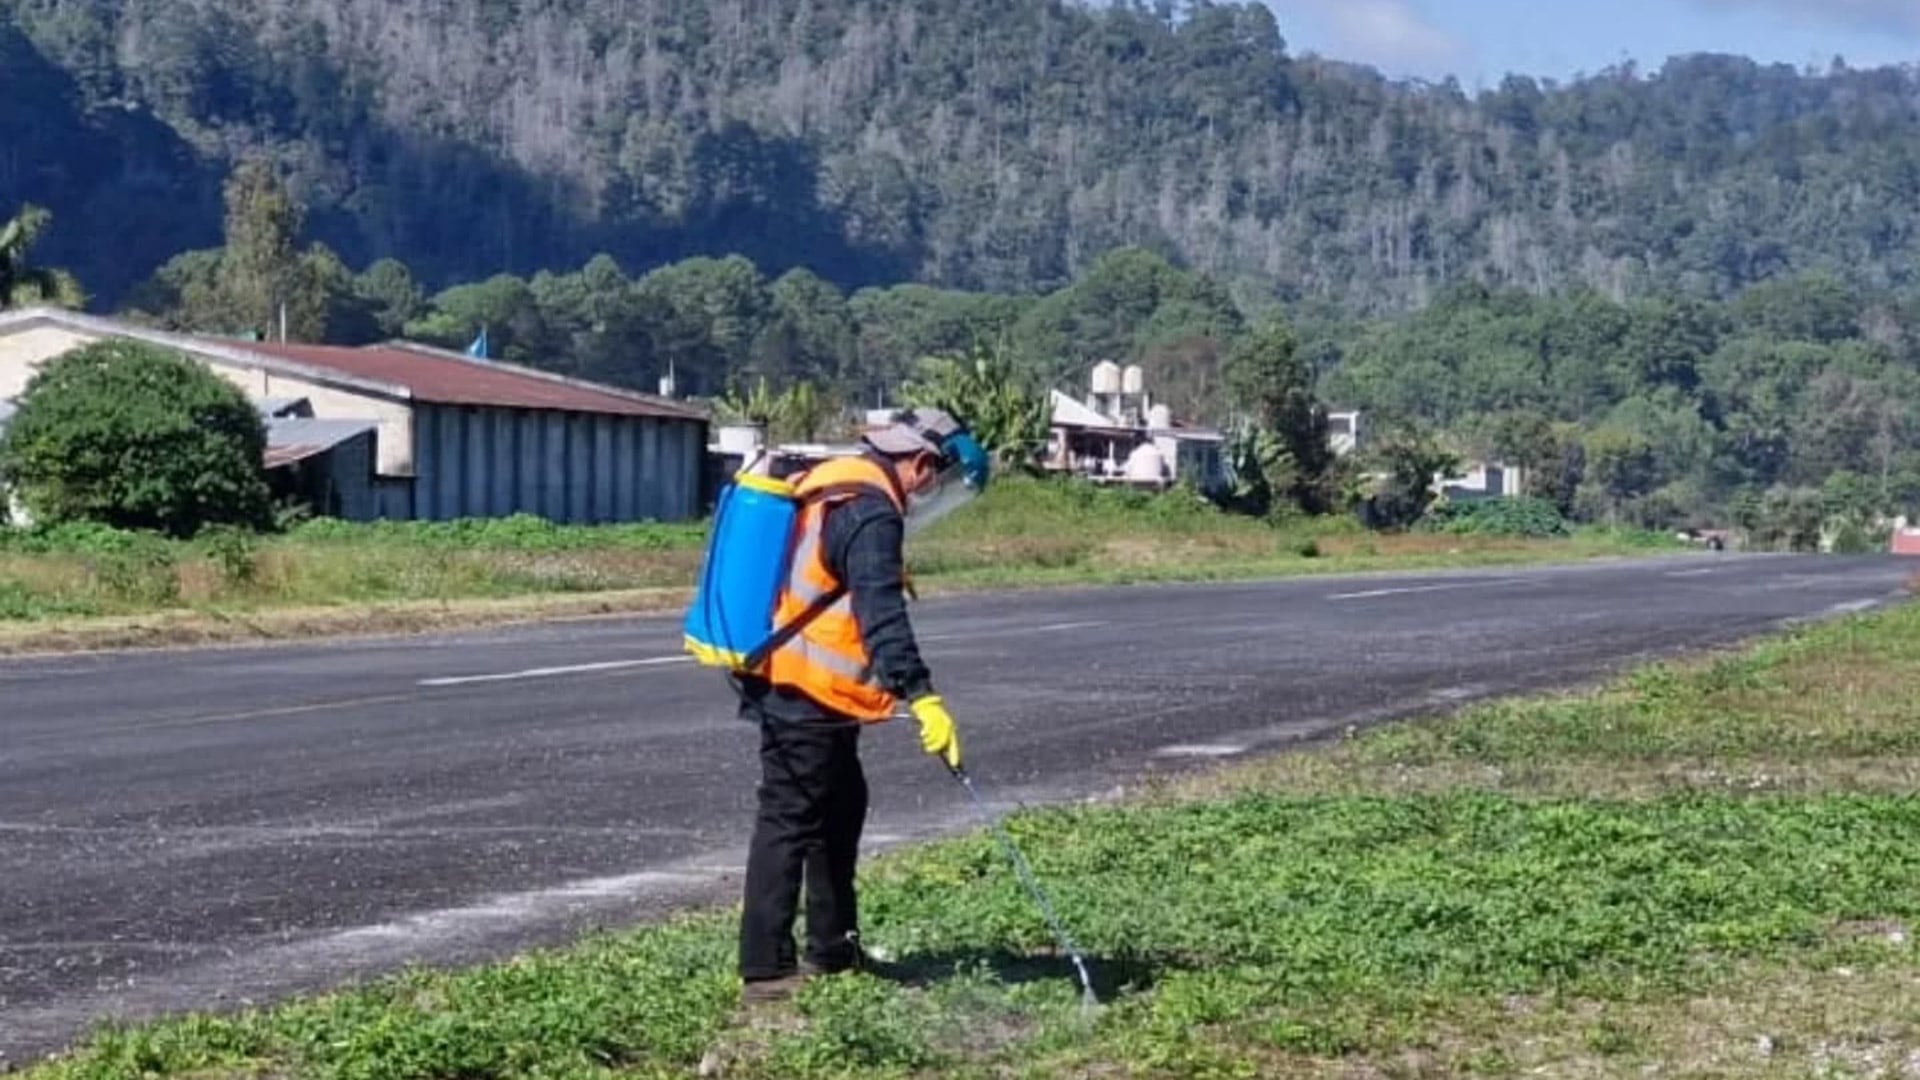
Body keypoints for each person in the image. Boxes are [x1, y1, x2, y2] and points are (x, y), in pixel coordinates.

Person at [731, 406, 990, 1004]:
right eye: (938, 479)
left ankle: (833, 948)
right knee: (790, 817)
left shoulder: (837, 482)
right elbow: (882, 615)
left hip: (801, 681)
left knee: (841, 805)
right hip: (804, 686)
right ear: (921, 464)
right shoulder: (870, 512)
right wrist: (922, 695)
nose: (932, 492)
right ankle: (765, 971)